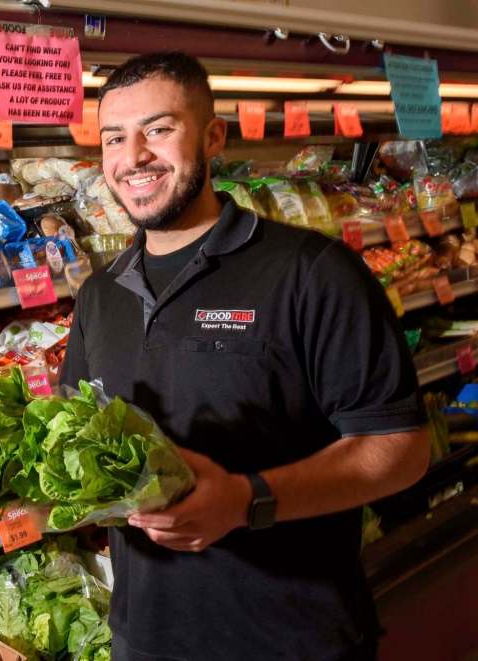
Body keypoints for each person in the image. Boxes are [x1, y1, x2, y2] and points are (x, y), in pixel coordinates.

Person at [60, 52, 431, 661]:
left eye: (158, 130)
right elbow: (79, 442)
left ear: (212, 137)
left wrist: (246, 499)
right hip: (145, 639)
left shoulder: (311, 272)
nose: (134, 157)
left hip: (291, 640)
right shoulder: (100, 296)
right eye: (114, 138)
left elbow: (402, 447)